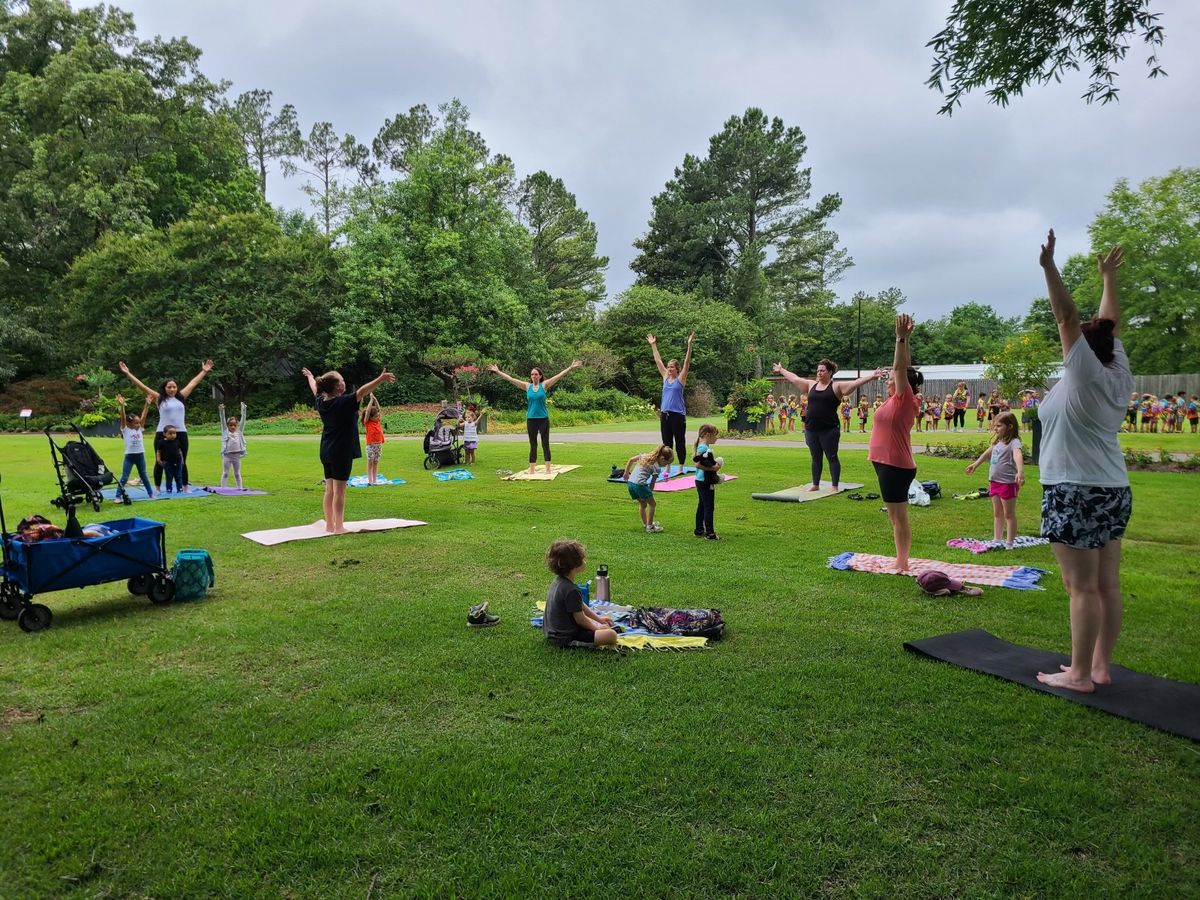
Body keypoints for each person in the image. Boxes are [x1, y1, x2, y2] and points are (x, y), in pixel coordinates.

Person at [1034, 229, 1133, 694]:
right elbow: (1106, 322)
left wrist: (1050, 268)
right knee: (1106, 585)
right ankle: (1099, 666)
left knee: (1081, 588)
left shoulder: (1085, 370)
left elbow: (1068, 316)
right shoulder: (1117, 367)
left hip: (1075, 489)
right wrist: (1108, 278)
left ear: (1081, 351)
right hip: (1112, 489)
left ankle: (1078, 675)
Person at [301, 366, 396, 534]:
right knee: (340, 491)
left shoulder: (321, 401)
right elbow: (362, 391)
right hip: (340, 451)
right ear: (338, 387)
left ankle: (330, 525)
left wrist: (309, 376)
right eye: (342, 381)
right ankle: (339, 527)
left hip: (326, 450)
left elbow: (314, 387)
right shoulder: (342, 403)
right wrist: (380, 379)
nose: (344, 383)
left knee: (330, 490)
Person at [772, 359, 886, 493]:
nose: (819, 373)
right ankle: (815, 484)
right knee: (815, 458)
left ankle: (834, 486)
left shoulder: (836, 387)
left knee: (832, 457)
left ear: (830, 372)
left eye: (822, 370)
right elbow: (794, 378)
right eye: (818, 370)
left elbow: (854, 383)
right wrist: (781, 370)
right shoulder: (811, 385)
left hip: (829, 429)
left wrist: (872, 376)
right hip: (811, 429)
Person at [868, 315, 922, 572]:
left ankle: (902, 562)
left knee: (898, 517)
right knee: (893, 516)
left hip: (895, 466)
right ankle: (901, 558)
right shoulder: (896, 399)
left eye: (891, 377)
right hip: (885, 464)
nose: (888, 378)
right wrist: (907, 340)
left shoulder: (904, 398)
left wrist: (900, 338)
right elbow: (905, 368)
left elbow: (901, 369)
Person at [118, 359, 213, 493]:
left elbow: (193, 383)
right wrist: (128, 373)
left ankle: (185, 487)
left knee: (182, 461)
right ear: (165, 388)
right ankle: (157, 488)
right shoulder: (159, 398)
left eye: (174, 387)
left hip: (180, 433)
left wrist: (204, 371)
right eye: (169, 387)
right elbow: (143, 387)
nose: (172, 389)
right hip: (162, 433)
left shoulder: (181, 397)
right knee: (160, 462)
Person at [487, 361, 583, 475]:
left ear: (540, 376)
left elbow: (559, 376)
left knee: (545, 444)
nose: (534, 376)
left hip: (543, 419)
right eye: (532, 374)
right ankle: (532, 469)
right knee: (533, 445)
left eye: (536, 374)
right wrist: (498, 372)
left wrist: (570, 368)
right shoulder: (527, 386)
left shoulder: (544, 385)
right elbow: (511, 379)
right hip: (531, 419)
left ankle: (548, 469)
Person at [965, 411, 1025, 549]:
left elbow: (1018, 455)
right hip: (994, 482)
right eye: (994, 426)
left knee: (1008, 514)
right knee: (997, 513)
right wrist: (975, 464)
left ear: (1010, 426)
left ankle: (1009, 542)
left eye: (998, 426)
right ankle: (997, 539)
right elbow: (988, 453)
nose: (995, 429)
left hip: (1007, 483)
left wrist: (1020, 471)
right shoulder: (998, 440)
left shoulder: (1014, 442)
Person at [542, 540, 618, 648]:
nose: (585, 560)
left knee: (598, 626)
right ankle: (578, 641)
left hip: (553, 631)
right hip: (565, 637)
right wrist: (597, 628)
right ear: (574, 564)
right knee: (611, 635)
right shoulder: (571, 590)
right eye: (582, 559)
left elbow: (580, 605)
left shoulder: (559, 581)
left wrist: (599, 619)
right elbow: (580, 619)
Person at [647, 332, 694, 462]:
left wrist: (689, 345)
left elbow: (687, 363)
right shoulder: (665, 377)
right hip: (665, 414)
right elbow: (658, 360)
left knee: (679, 441)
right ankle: (667, 465)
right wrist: (653, 345)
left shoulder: (681, 379)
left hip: (677, 415)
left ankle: (681, 465)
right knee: (666, 443)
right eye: (668, 367)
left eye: (671, 367)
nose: (669, 369)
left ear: (677, 369)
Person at [622, 445, 673, 533]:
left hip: (630, 483)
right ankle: (650, 527)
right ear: (662, 458)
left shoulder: (645, 456)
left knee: (643, 504)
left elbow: (631, 460)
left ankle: (646, 524)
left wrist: (626, 473)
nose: (665, 466)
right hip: (640, 485)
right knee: (652, 504)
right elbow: (652, 484)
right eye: (666, 463)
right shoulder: (656, 467)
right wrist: (649, 492)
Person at [115, 393, 153, 500]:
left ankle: (150, 494)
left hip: (140, 455)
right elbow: (123, 417)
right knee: (124, 477)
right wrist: (122, 406)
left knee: (144, 476)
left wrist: (147, 404)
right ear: (129, 423)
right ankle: (118, 496)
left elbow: (144, 416)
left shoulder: (140, 429)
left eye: (139, 423)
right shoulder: (125, 430)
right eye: (136, 423)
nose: (138, 425)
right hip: (129, 457)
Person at [692, 423, 722, 541]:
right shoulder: (703, 448)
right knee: (709, 507)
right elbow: (698, 464)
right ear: (708, 435)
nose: (717, 438)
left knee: (702, 505)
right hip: (705, 481)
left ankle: (699, 530)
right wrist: (713, 468)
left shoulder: (702, 446)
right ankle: (710, 533)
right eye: (715, 435)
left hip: (700, 480)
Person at [218, 400, 248, 490]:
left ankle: (240, 488)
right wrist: (221, 411)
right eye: (231, 425)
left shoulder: (239, 432)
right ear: (227, 425)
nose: (233, 427)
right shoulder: (225, 431)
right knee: (226, 473)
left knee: (237, 473)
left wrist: (244, 410)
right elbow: (222, 420)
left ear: (237, 425)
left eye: (235, 425)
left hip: (237, 456)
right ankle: (223, 488)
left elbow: (243, 419)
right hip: (227, 456)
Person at [360, 394, 385, 484]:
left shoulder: (377, 421)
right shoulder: (368, 423)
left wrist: (375, 399)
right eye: (376, 416)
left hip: (378, 445)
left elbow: (379, 409)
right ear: (371, 417)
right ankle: (370, 480)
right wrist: (370, 401)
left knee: (376, 462)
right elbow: (367, 412)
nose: (378, 417)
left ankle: (375, 480)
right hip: (370, 445)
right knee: (370, 462)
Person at [157, 425, 184, 493]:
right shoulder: (161, 442)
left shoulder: (177, 441)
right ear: (164, 434)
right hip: (168, 463)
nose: (172, 435)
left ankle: (180, 489)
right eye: (170, 433)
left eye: (174, 433)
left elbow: (180, 451)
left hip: (178, 462)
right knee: (169, 477)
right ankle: (169, 489)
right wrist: (158, 459)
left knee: (178, 476)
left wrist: (182, 460)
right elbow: (158, 452)